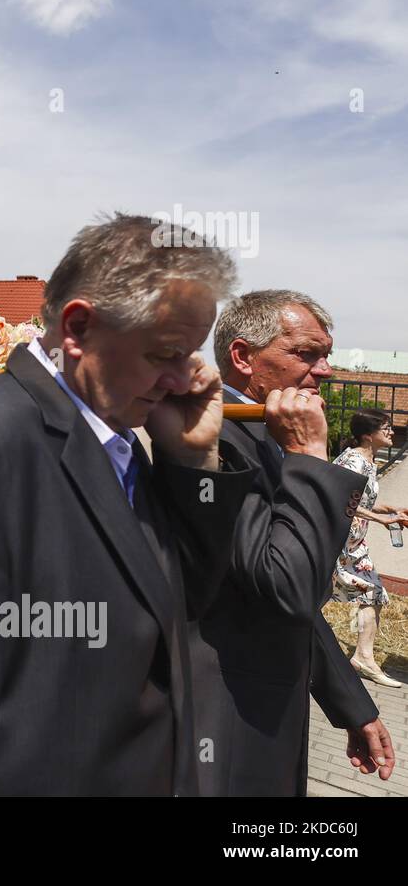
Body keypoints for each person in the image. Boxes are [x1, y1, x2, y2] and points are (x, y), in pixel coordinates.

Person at [0, 213, 259, 796]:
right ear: (78, 328)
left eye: (188, 355)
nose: (182, 379)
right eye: (165, 354)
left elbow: (175, 607)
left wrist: (194, 461)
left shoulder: (121, 438)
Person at [191, 290, 395, 794]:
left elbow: (292, 608)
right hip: (226, 708)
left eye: (326, 355)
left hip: (269, 695)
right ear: (243, 358)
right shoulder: (209, 441)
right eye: (305, 353)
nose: (324, 369)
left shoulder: (264, 434)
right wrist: (309, 454)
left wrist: (350, 703)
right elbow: (287, 586)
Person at [333, 409, 408, 689]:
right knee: (316, 595)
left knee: (372, 592)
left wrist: (389, 509)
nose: (391, 431)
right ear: (367, 434)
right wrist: (382, 519)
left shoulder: (368, 460)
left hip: (352, 545)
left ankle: (363, 657)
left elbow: (359, 500)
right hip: (337, 541)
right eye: (386, 427)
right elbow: (342, 501)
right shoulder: (354, 461)